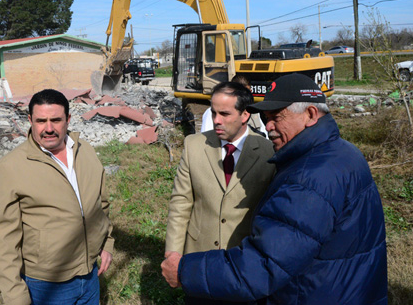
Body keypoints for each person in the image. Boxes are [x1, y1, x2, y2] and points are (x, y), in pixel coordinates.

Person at [161, 73, 388, 304]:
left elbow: (264, 265)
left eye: (277, 117)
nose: (268, 126)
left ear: (310, 114)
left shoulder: (309, 177)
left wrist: (184, 271)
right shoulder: (343, 153)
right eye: (266, 117)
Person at [0, 89, 114, 305]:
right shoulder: (11, 168)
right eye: (41, 121)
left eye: (56, 120)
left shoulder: (86, 152)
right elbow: (2, 240)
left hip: (90, 275)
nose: (48, 128)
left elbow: (101, 206)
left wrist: (107, 244)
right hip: (45, 285)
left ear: (68, 119)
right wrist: (16, 297)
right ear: (30, 120)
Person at [164, 81, 276, 305]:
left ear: (245, 115)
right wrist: (173, 255)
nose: (216, 120)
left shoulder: (268, 152)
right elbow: (181, 203)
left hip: (244, 267)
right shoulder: (194, 145)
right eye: (213, 112)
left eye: (224, 113)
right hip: (199, 261)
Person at [201, 75, 267, 137]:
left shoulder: (255, 112)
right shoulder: (211, 113)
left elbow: (264, 135)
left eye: (246, 93)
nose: (243, 97)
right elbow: (207, 138)